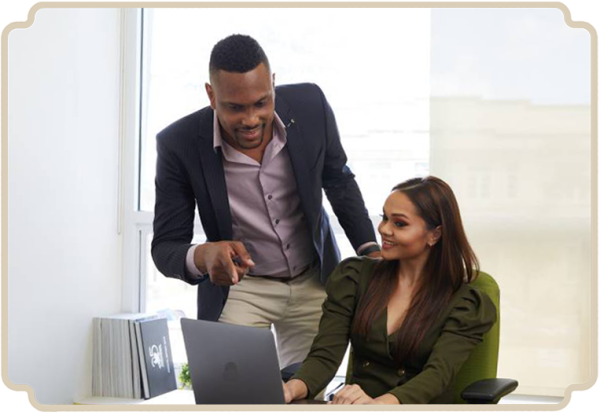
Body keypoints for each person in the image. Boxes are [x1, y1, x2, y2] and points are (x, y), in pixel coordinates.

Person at [151, 34, 380, 370]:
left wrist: (369, 249)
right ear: (211, 95)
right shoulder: (179, 143)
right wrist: (203, 254)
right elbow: (165, 247)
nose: (250, 119)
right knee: (228, 394)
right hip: (242, 290)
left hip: (313, 279)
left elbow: (338, 179)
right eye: (235, 107)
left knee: (308, 396)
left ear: (273, 85)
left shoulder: (310, 105)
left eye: (261, 102)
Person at [283, 176, 497, 405]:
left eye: (400, 223)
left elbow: (437, 376)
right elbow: (325, 356)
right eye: (385, 217)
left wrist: (379, 404)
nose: (384, 229)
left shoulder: (465, 303)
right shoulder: (354, 277)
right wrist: (291, 389)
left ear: (434, 234)